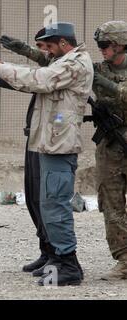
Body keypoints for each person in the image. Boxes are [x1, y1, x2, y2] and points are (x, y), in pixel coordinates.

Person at [0, 22, 93, 286]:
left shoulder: (75, 63)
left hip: (60, 145)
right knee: (47, 204)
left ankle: (68, 265)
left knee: (55, 205)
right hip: (49, 143)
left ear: (64, 43)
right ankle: (58, 260)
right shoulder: (62, 62)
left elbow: (41, 79)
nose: (47, 53)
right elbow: (33, 82)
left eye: (49, 46)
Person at [0, 28, 56, 276]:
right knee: (33, 198)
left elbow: (25, 79)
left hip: (51, 142)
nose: (42, 52)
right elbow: (16, 82)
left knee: (46, 201)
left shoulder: (59, 69)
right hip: (35, 137)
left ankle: (56, 256)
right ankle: (46, 251)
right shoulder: (49, 68)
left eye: (45, 46)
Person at [92, 20, 127, 280]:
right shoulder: (96, 69)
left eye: (105, 45)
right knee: (111, 204)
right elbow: (51, 68)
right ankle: (125, 259)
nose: (101, 50)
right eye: (99, 45)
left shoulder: (99, 75)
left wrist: (103, 83)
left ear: (120, 45)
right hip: (110, 146)